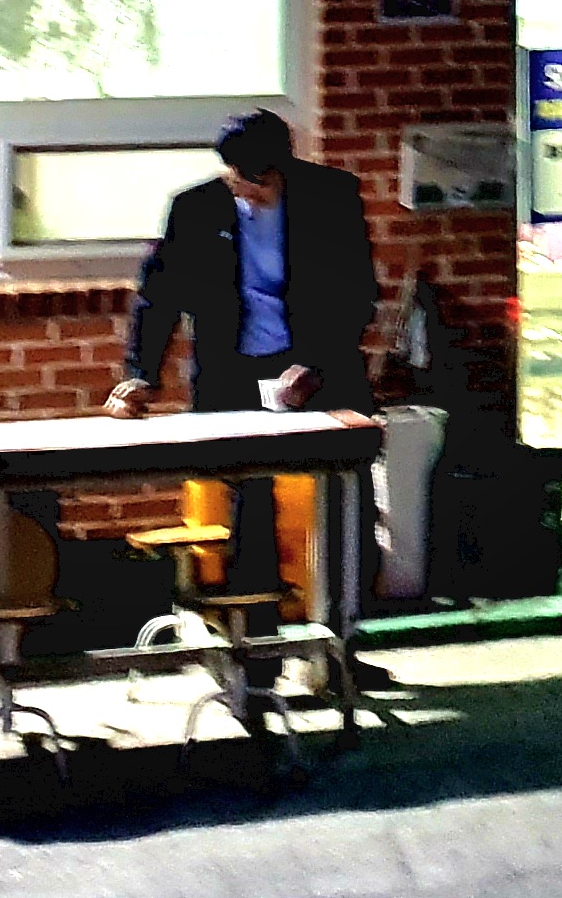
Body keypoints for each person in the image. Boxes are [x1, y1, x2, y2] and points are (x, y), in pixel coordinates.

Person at [106, 109, 379, 654]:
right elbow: (158, 296)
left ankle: (342, 647)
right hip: (232, 371)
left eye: (268, 179)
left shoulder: (332, 197)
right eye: (245, 180)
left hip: (317, 367)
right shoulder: (196, 208)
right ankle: (256, 650)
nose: (257, 191)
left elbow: (356, 292)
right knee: (249, 509)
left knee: (345, 504)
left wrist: (316, 363)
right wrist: (141, 375)